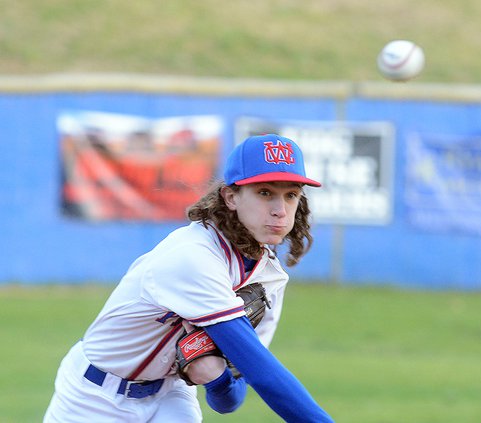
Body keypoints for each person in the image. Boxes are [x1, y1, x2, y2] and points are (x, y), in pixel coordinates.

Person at [44, 134, 334, 422]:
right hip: (93, 397)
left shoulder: (269, 277)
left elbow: (232, 397)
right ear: (231, 197)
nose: (280, 210)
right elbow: (264, 373)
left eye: (291, 195)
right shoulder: (193, 255)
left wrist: (218, 380)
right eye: (265, 192)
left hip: (170, 394)